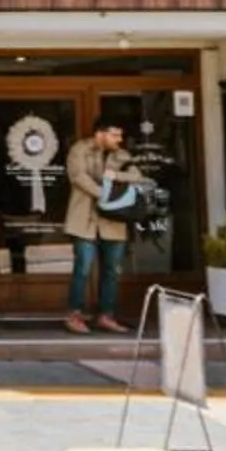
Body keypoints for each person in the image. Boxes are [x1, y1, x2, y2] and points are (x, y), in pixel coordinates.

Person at [63, 119, 139, 335]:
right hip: (84, 220)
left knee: (112, 271)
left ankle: (106, 316)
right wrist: (105, 194)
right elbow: (78, 177)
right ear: (101, 133)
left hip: (114, 222)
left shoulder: (122, 155)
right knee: (83, 269)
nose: (120, 139)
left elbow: (137, 176)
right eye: (115, 135)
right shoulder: (79, 150)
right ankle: (74, 315)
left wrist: (115, 176)